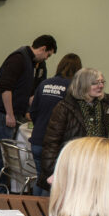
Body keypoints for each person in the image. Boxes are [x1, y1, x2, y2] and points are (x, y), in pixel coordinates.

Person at [0, 35, 57, 184]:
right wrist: (10, 114)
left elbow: (22, 90)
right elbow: (6, 88)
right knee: (1, 151)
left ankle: (3, 185)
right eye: (48, 55)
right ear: (43, 49)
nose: (46, 59)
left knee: (4, 151)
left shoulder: (30, 61)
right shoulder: (18, 58)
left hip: (7, 111)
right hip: (1, 111)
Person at [38, 68, 109, 192]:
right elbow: (51, 143)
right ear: (83, 84)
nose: (100, 86)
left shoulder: (101, 107)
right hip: (70, 168)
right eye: (95, 83)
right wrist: (54, 172)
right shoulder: (64, 108)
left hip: (95, 169)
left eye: (102, 82)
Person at [28, 53, 82, 196]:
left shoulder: (44, 83)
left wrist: (40, 125)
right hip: (56, 145)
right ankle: (44, 214)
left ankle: (34, 210)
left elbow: (32, 112)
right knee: (52, 182)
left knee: (41, 177)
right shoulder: (73, 89)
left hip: (37, 140)